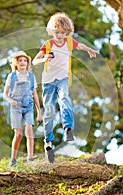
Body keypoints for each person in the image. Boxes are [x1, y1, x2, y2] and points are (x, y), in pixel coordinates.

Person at [32, 12, 100, 163]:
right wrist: (44, 58)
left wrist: (90, 50)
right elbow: (34, 61)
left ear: (67, 32)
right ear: (52, 31)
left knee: (64, 98)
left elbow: (80, 46)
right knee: (49, 110)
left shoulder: (69, 42)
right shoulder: (48, 45)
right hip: (48, 82)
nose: (60, 36)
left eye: (63, 33)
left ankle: (68, 128)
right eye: (57, 33)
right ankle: (48, 143)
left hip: (62, 79)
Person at [3, 51, 42, 167]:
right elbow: (5, 94)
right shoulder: (12, 76)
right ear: (16, 63)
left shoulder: (31, 76)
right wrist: (11, 101)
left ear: (27, 63)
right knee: (19, 134)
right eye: (20, 61)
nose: (23, 63)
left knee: (29, 130)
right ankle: (13, 159)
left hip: (29, 106)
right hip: (16, 107)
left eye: (25, 60)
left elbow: (34, 94)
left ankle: (30, 158)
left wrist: (39, 112)